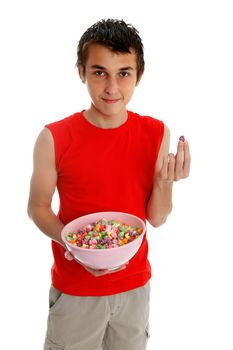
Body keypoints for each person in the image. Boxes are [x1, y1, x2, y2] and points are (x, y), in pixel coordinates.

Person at [27, 18, 190, 350]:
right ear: (81, 72)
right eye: (99, 72)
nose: (112, 88)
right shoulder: (54, 137)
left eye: (124, 73)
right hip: (75, 291)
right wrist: (71, 243)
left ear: (138, 76)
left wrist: (165, 181)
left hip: (133, 288)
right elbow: (38, 207)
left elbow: (156, 218)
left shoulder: (156, 132)